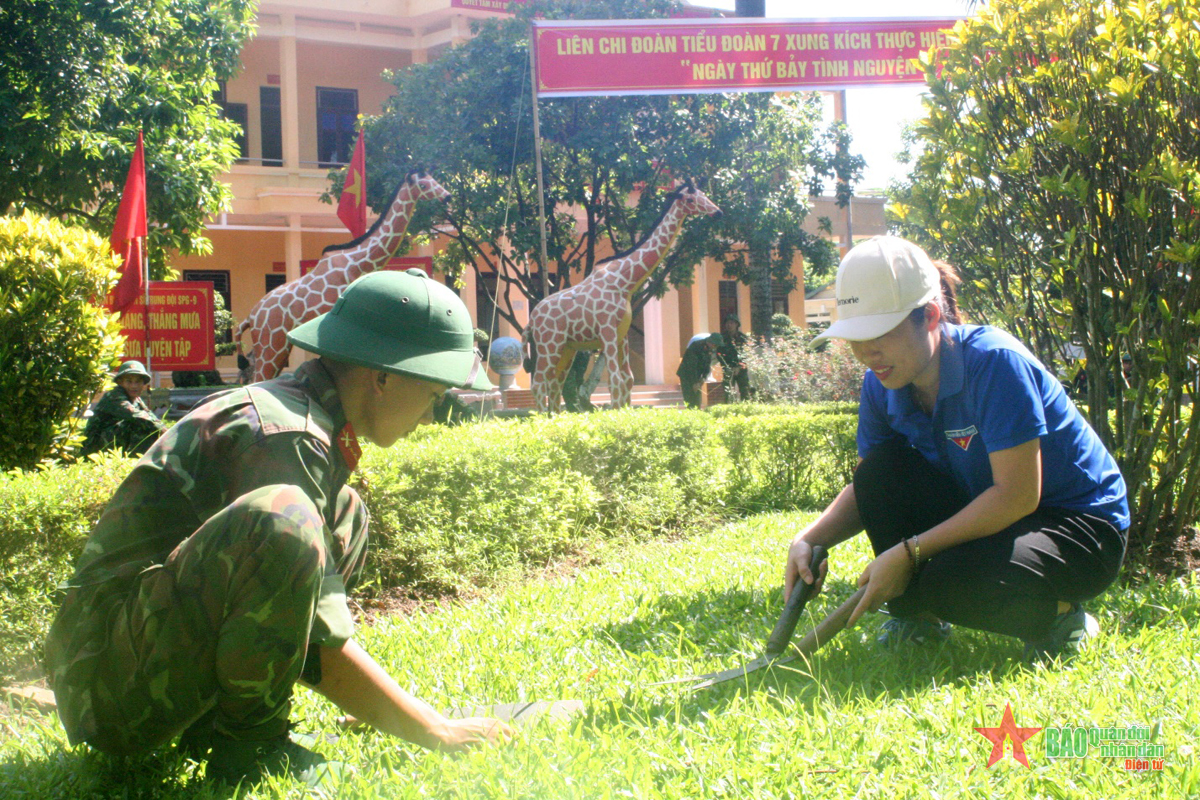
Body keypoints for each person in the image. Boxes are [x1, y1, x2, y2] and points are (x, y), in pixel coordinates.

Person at [45, 270, 515, 792]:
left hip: (139, 655)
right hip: (104, 693)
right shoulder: (287, 433)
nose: (430, 417)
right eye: (433, 395)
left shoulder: (307, 419)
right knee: (288, 518)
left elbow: (296, 617)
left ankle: (221, 724)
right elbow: (316, 631)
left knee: (345, 514)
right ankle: (251, 747)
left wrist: (373, 703)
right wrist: (433, 729)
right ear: (382, 378)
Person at [783, 237, 1129, 663]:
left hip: (1079, 526)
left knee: (948, 581)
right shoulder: (881, 381)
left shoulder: (994, 362)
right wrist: (809, 539)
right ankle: (918, 618)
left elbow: (1018, 495)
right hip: (992, 508)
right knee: (879, 472)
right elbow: (872, 486)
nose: (866, 352)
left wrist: (910, 553)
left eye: (879, 334)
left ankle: (1062, 618)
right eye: (856, 336)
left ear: (930, 316)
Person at [80, 361, 168, 457]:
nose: (134, 386)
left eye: (138, 382)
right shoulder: (114, 396)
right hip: (94, 447)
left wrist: (167, 431)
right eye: (129, 381)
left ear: (143, 384)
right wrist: (164, 431)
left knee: (150, 426)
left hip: (111, 441)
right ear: (120, 382)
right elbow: (135, 415)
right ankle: (139, 459)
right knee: (138, 425)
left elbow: (150, 415)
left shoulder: (136, 399)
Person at [676, 333, 724, 409]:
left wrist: (703, 379)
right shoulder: (696, 346)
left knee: (697, 399)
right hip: (686, 375)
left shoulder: (709, 349)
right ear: (711, 342)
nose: (715, 347)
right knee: (689, 399)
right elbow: (692, 366)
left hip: (697, 376)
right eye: (715, 345)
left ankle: (697, 411)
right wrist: (695, 382)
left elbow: (707, 366)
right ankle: (690, 413)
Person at [715, 314, 753, 401]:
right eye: (727, 323)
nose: (729, 325)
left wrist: (739, 366)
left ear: (736, 324)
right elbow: (719, 354)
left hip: (741, 369)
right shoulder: (722, 338)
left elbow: (746, 354)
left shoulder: (743, 338)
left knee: (745, 391)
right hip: (728, 369)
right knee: (728, 392)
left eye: (731, 323)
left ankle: (745, 407)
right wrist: (727, 367)